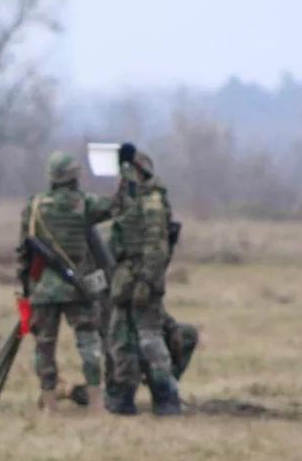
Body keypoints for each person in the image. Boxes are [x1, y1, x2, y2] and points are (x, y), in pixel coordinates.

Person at [18, 151, 113, 413]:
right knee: (89, 344)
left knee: (44, 348)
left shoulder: (34, 205)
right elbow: (116, 205)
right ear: (74, 176)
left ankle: (50, 405)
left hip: (43, 290)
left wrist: (26, 287)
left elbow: (24, 251)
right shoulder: (86, 204)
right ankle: (96, 404)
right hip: (77, 288)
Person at [105, 144, 180, 416]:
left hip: (143, 279)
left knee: (150, 339)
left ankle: (167, 397)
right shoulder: (128, 199)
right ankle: (122, 398)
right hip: (124, 279)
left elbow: (156, 247)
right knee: (120, 339)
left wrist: (146, 283)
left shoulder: (152, 203)